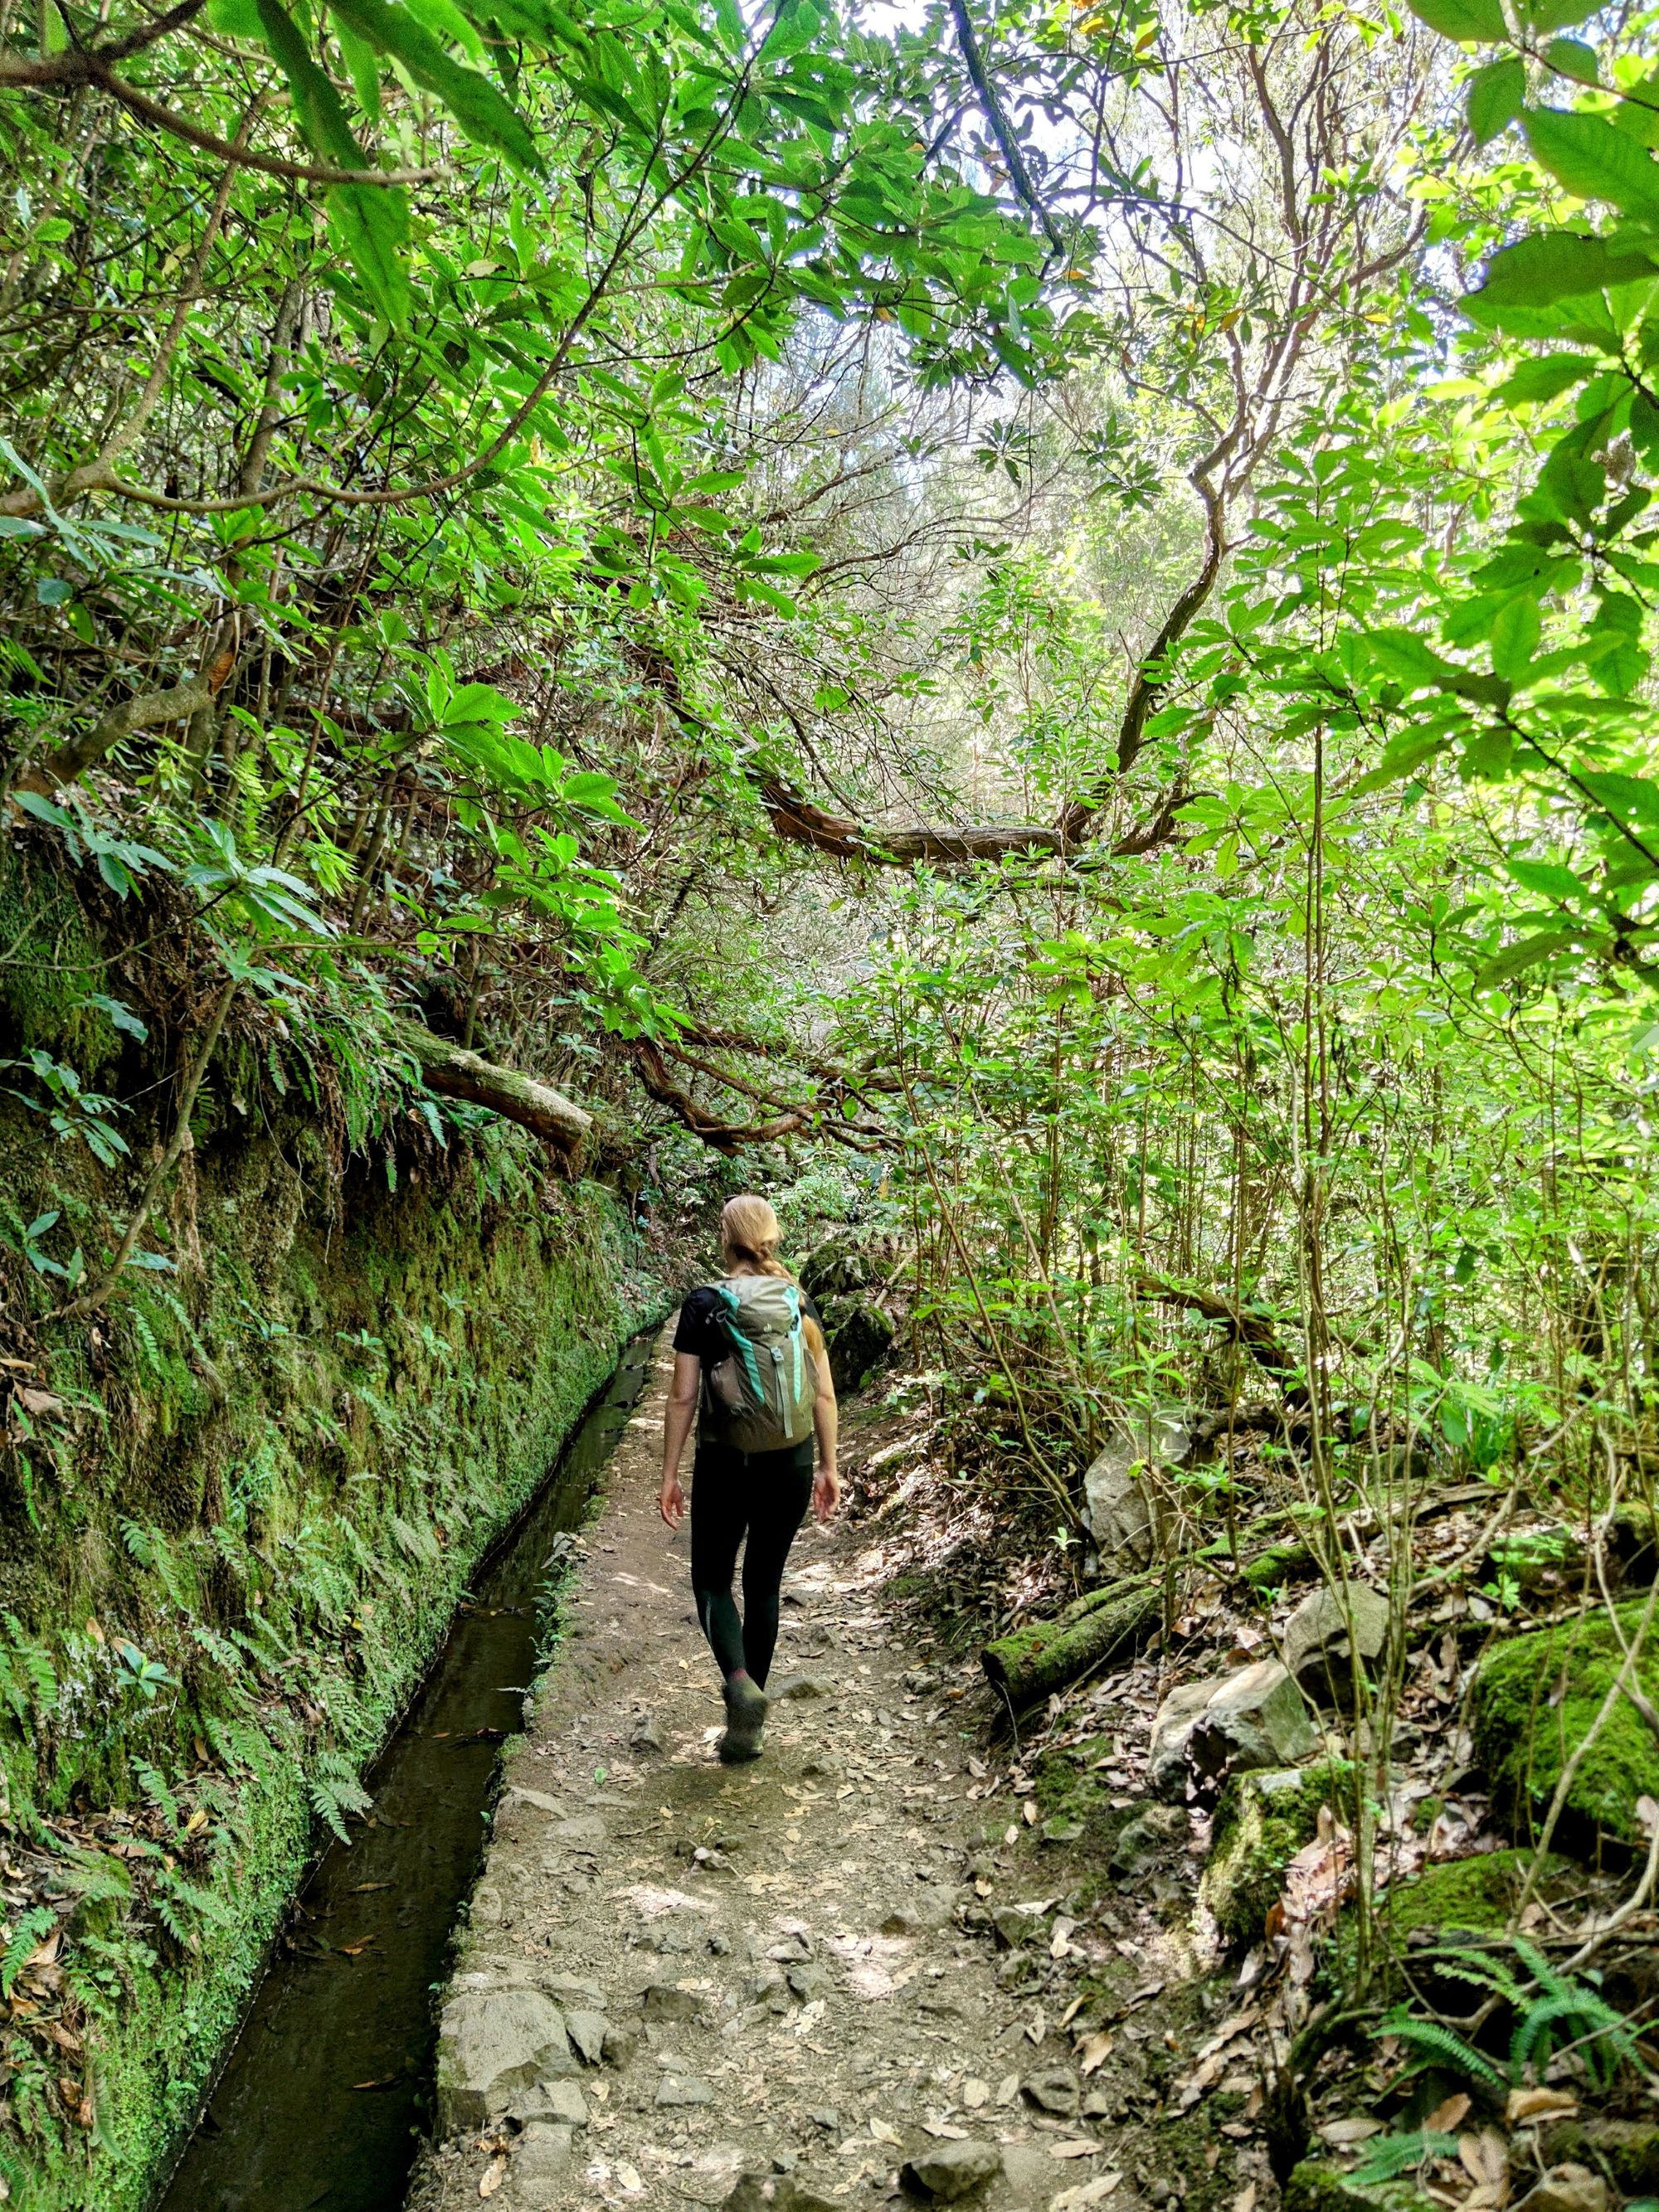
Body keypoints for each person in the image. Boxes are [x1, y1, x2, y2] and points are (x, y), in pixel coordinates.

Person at [659, 1194, 840, 1762]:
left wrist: (669, 1474)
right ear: (771, 1237)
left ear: (726, 1237)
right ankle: (750, 1724)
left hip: (726, 1461)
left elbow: (683, 1396)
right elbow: (825, 1392)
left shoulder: (703, 1303)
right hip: (791, 1459)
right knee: (763, 1583)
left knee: (712, 1581)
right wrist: (830, 1467)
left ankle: (739, 1683)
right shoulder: (799, 1301)